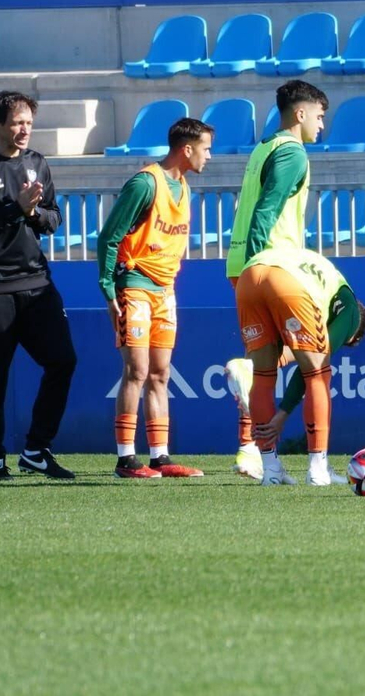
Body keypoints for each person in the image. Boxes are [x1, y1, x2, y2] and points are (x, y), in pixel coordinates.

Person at [0, 90, 77, 482]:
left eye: (28, 122)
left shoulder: (37, 163)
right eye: (16, 123)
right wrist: (16, 208)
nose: (24, 130)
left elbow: (53, 218)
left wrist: (35, 212)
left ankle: (37, 450)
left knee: (62, 360)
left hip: (36, 281)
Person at [97, 117, 213, 479]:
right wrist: (108, 288)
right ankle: (126, 458)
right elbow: (109, 236)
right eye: (206, 149)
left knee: (161, 373)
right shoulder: (145, 183)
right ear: (187, 149)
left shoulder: (184, 188)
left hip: (165, 290)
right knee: (137, 370)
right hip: (135, 284)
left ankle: (160, 457)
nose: (209, 156)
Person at [223, 80, 327, 479]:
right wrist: (259, 261)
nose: (321, 125)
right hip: (273, 265)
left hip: (243, 264)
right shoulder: (293, 154)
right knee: (312, 355)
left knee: (263, 362)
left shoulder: (263, 147)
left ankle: (253, 454)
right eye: (319, 116)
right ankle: (316, 465)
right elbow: (266, 211)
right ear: (300, 113)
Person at [234, 247, 365, 485]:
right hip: (289, 283)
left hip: (249, 277)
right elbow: (310, 368)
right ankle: (318, 469)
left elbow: (296, 355)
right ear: (353, 336)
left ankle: (271, 470)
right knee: (318, 373)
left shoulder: (330, 285)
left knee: (262, 375)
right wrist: (282, 414)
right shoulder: (352, 314)